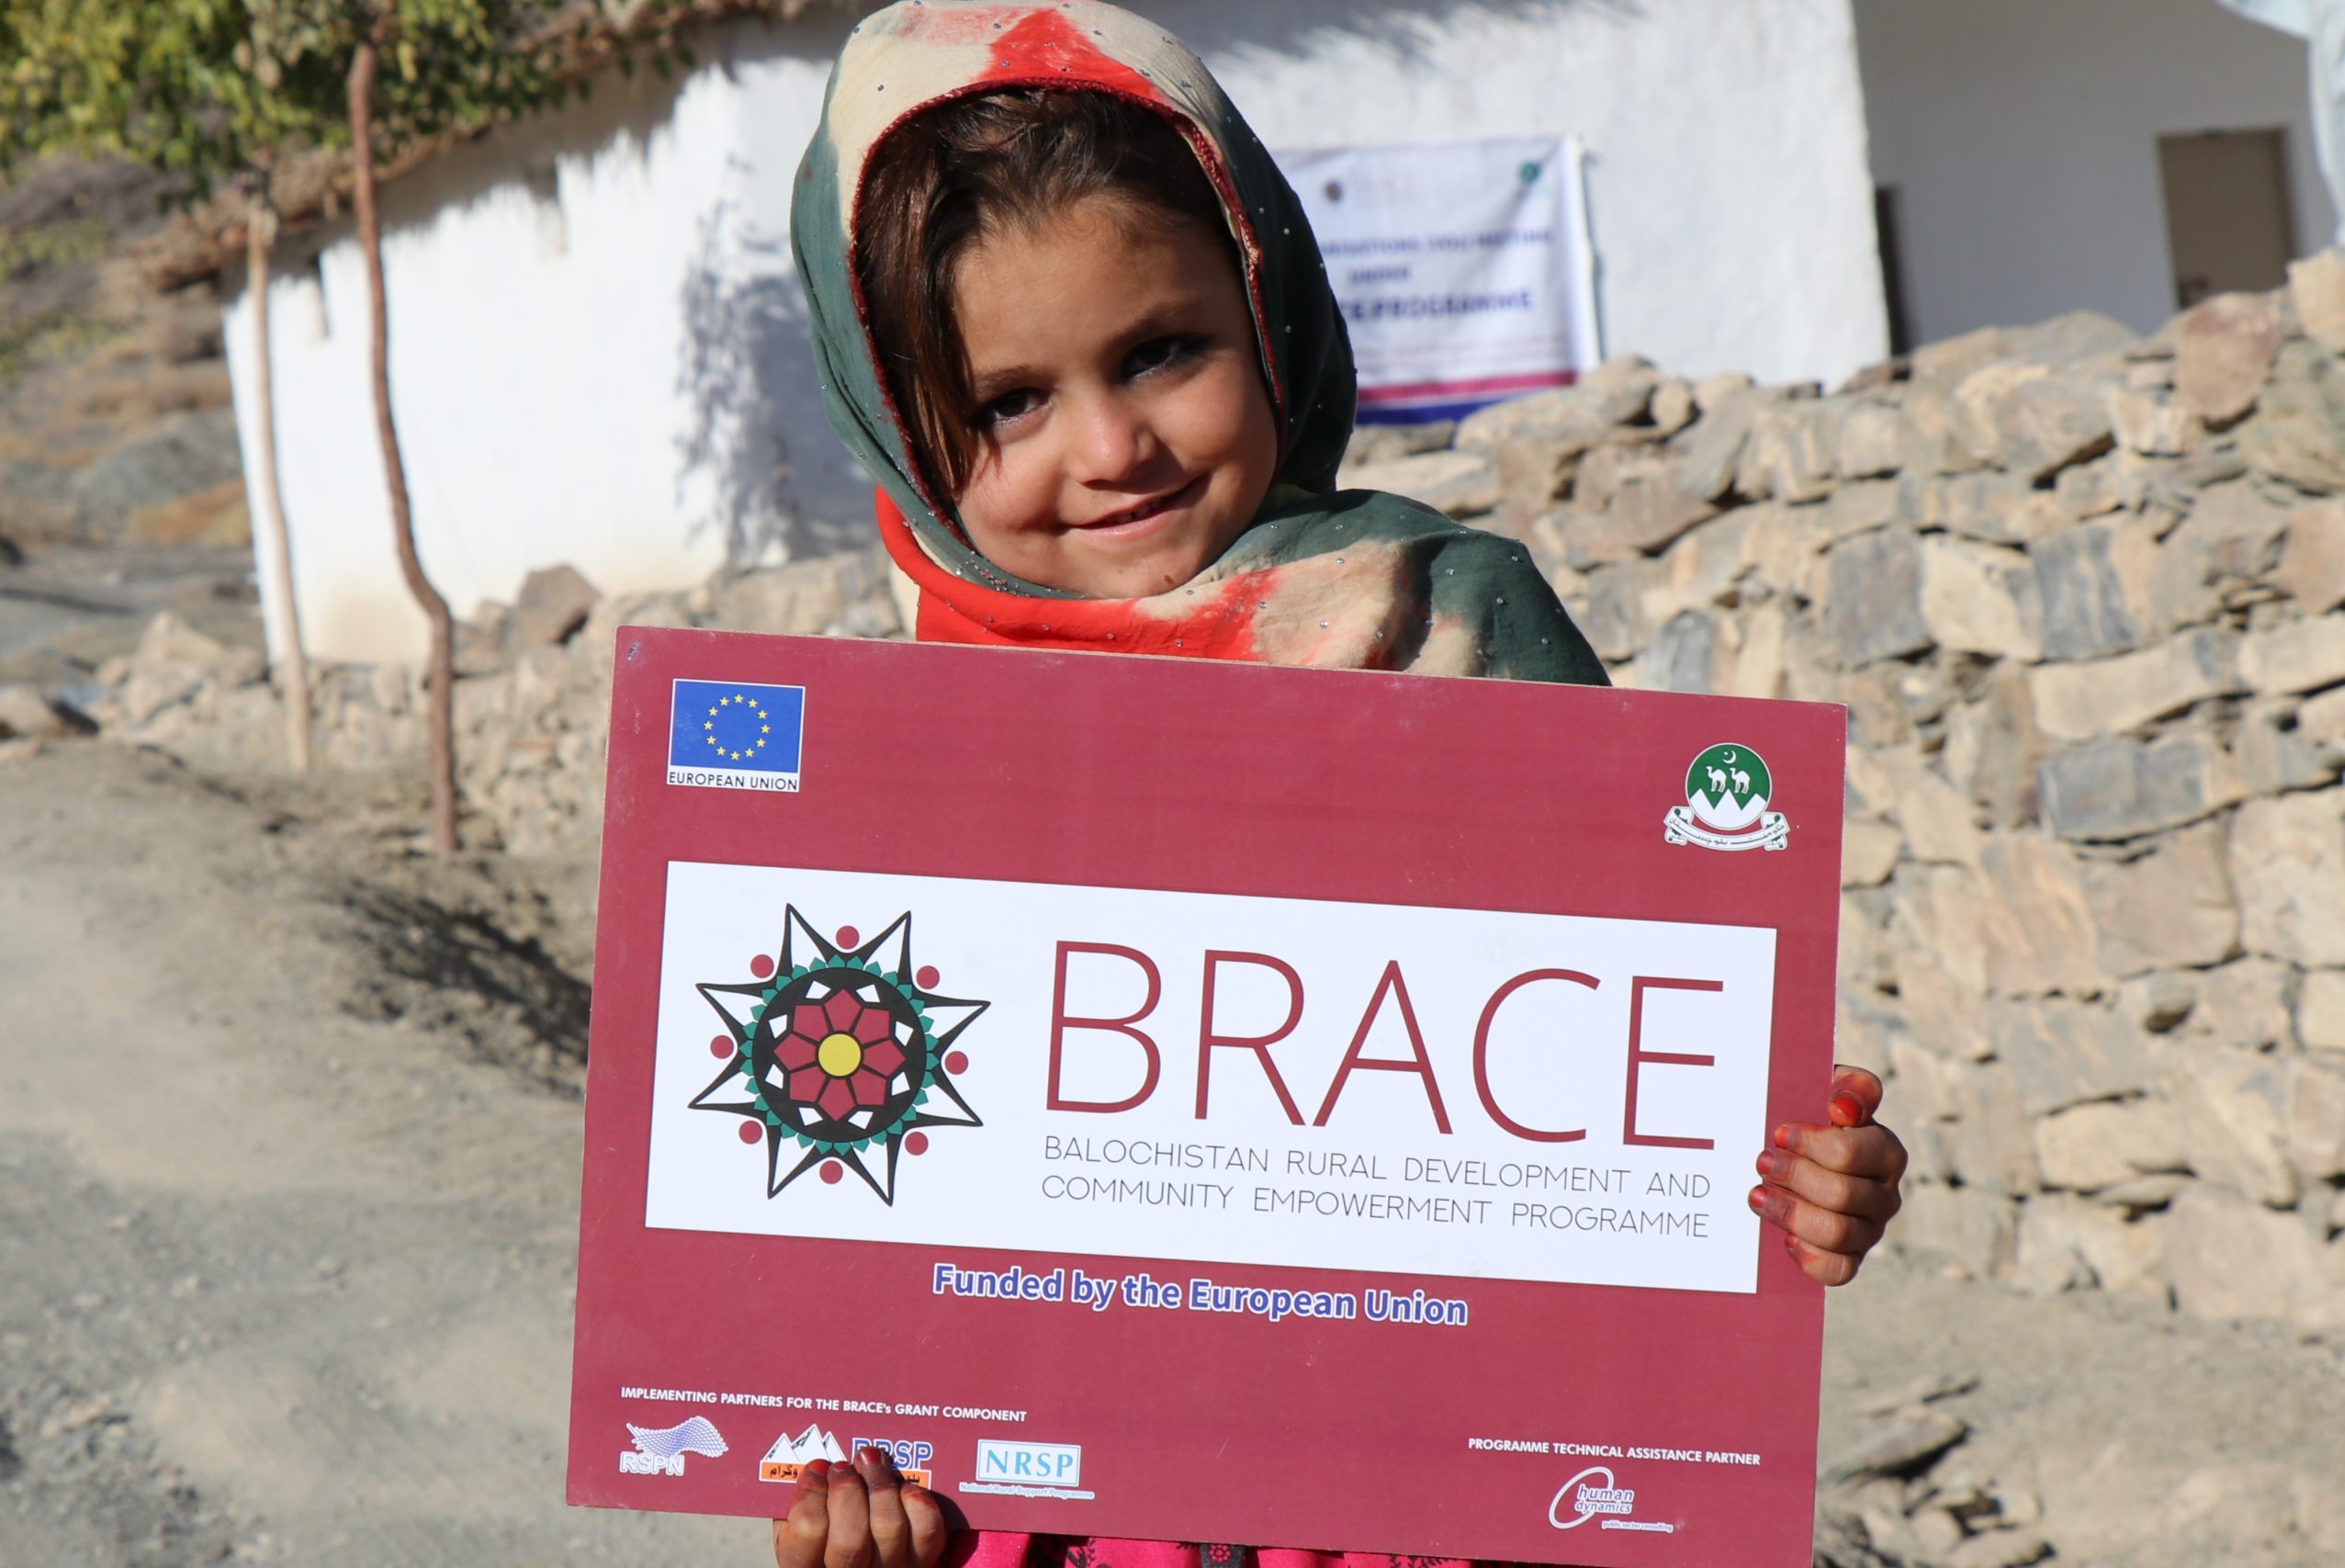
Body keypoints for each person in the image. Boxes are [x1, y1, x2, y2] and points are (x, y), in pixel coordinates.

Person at [775, 5, 1910, 1567]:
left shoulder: (1459, 628)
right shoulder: (878, 768)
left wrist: (1798, 1184)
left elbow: (1635, 1105)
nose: (1111, 445)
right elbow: (850, 1256)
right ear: (897, 423)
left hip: (1462, 1516)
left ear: (1269, 310)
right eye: (1008, 402)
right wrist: (862, 1516)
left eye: (1161, 351)